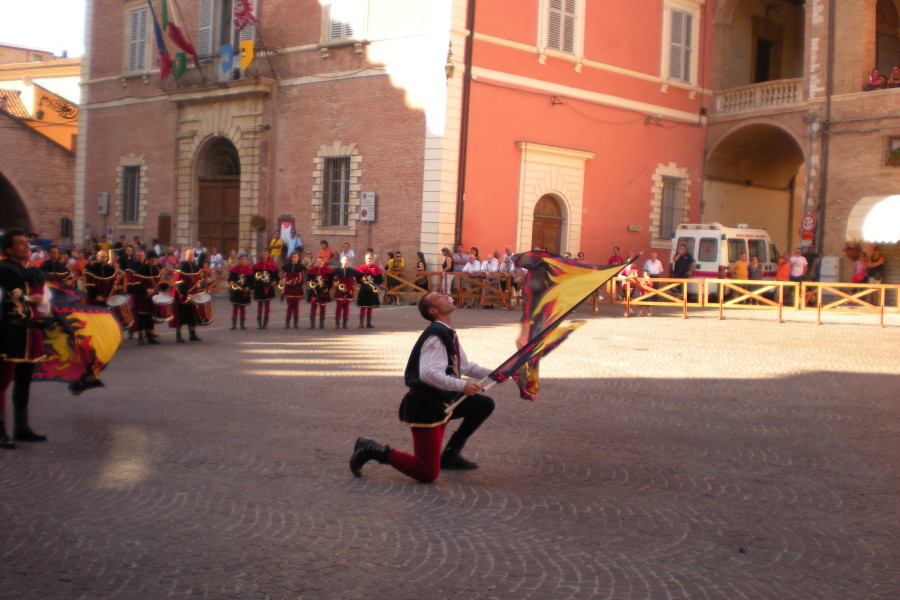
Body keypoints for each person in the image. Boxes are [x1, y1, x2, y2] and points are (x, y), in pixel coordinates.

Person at [349, 291, 495, 482]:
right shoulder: (435, 336)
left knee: (483, 404)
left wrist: (496, 373)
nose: (445, 296)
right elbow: (427, 374)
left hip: (444, 401)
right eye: (438, 297)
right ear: (433, 310)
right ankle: (372, 449)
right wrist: (462, 385)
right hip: (425, 406)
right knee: (426, 473)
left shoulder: (448, 332)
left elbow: (465, 366)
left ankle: (451, 454)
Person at [1, 228, 52, 448]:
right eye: (20, 244)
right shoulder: (2, 270)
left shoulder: (35, 271)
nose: (26, 246)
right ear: (9, 249)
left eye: (26, 243)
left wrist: (40, 301)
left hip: (31, 332)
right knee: (2, 381)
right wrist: (28, 299)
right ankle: (0, 430)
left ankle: (21, 427)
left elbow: (47, 302)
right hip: (8, 332)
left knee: (25, 381)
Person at [171, 249, 203, 342]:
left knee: (192, 316)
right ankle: (178, 336)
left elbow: (199, 279)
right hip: (182, 295)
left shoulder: (194, 266)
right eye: (189, 254)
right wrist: (186, 294)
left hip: (192, 296)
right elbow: (178, 283)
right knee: (180, 316)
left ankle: (192, 335)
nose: (191, 256)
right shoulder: (181, 266)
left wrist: (200, 284)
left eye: (192, 255)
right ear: (185, 256)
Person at [134, 250, 162, 344]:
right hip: (143, 297)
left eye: (156, 260)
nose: (155, 263)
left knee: (150, 316)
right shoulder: (142, 269)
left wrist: (164, 286)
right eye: (153, 260)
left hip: (152, 297)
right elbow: (137, 284)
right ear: (149, 260)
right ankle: (140, 337)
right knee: (142, 316)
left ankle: (150, 337)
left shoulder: (155, 269)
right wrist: (146, 289)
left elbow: (158, 282)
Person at [355, 252, 383, 328]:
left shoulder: (376, 269)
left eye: (371, 258)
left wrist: (376, 285)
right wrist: (361, 279)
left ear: (373, 259)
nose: (369, 260)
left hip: (372, 290)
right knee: (363, 307)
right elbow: (357, 280)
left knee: (370, 307)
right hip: (364, 290)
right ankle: (361, 323)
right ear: (365, 259)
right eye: (368, 258)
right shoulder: (361, 268)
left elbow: (380, 280)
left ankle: (368, 323)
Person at [252, 251, 279, 329]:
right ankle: (259, 323)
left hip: (269, 286)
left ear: (268, 256)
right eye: (263, 254)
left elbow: (276, 276)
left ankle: (265, 323)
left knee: (267, 305)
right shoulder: (256, 266)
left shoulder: (272, 266)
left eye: (266, 254)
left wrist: (275, 281)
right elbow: (252, 276)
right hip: (259, 287)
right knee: (260, 305)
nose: (264, 255)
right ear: (261, 255)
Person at [279, 251, 307, 329]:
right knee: (289, 306)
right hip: (288, 289)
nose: (294, 258)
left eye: (295, 257)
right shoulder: (286, 267)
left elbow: (300, 278)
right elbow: (284, 276)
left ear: (298, 258)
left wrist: (289, 282)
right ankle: (287, 323)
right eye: (293, 257)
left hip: (297, 289)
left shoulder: (301, 267)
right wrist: (283, 280)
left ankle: (295, 323)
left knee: (296, 306)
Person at [331, 255, 358, 329]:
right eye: (344, 260)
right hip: (339, 291)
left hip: (348, 291)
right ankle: (337, 322)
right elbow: (334, 280)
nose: (345, 261)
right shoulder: (337, 271)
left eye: (347, 260)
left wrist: (351, 290)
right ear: (341, 261)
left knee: (346, 308)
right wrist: (335, 284)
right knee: (339, 307)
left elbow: (354, 282)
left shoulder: (352, 271)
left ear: (349, 262)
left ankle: (345, 323)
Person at [306, 256, 334, 329]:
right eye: (318, 261)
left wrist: (328, 288)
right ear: (316, 262)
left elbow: (331, 281)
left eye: (321, 261)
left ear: (323, 262)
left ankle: (322, 324)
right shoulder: (312, 270)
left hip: (324, 291)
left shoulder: (328, 270)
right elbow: (308, 279)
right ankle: (312, 324)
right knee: (313, 307)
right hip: (314, 291)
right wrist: (309, 283)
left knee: (323, 307)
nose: (319, 262)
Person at [227, 255, 254, 330]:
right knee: (235, 307)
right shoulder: (234, 269)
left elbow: (251, 281)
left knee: (243, 307)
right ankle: (234, 324)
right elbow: (230, 279)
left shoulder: (249, 270)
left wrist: (248, 287)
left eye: (244, 259)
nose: (243, 261)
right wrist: (231, 282)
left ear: (246, 260)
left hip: (244, 291)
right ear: (239, 260)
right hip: (235, 290)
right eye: (242, 259)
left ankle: (242, 324)